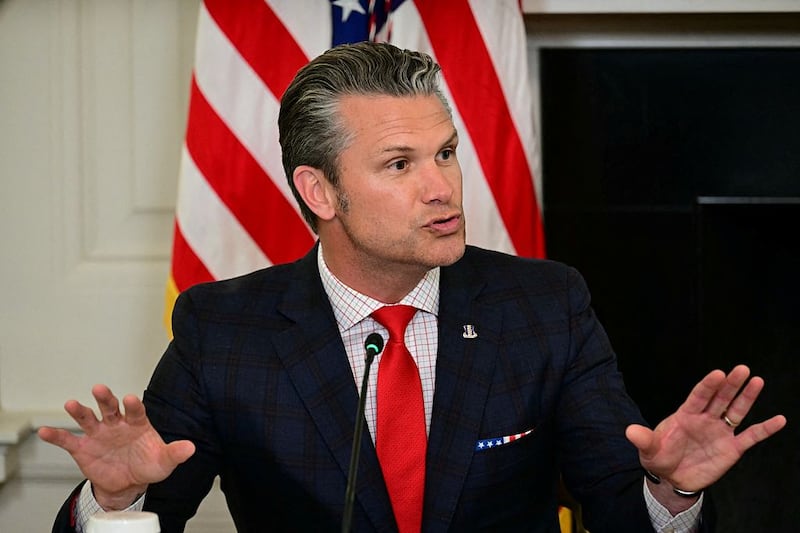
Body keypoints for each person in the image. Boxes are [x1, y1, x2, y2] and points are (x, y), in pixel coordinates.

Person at [39, 41, 786, 533]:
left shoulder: (544, 305)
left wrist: (671, 493)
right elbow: (155, 508)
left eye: (447, 153)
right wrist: (116, 500)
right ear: (320, 191)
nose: (443, 187)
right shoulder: (223, 329)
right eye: (401, 164)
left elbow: (621, 510)